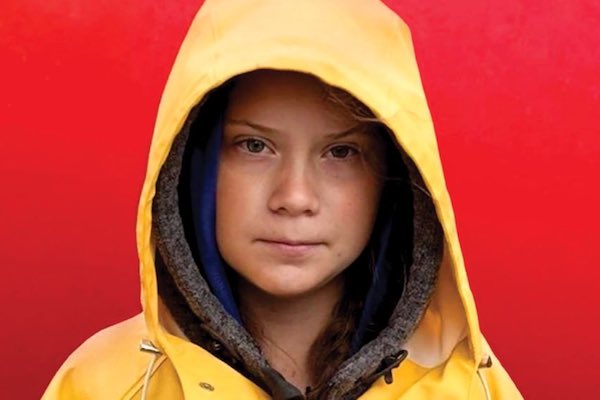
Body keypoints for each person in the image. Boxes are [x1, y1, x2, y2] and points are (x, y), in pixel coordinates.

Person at [43, 0, 522, 399]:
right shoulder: (105, 384)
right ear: (194, 166)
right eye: (254, 146)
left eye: (341, 152)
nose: (294, 198)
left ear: (393, 181)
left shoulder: (473, 390)